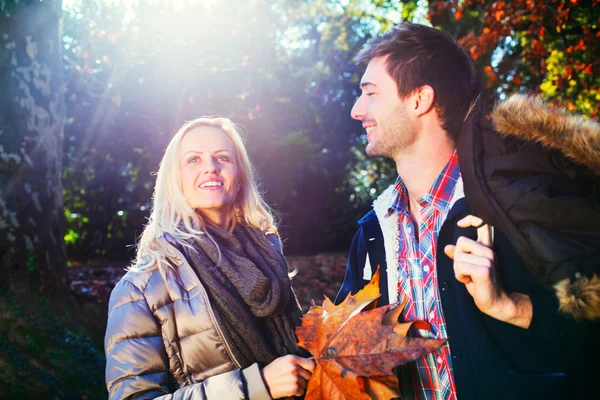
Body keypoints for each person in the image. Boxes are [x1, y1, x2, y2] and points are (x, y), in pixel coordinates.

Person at [336, 22, 600, 400]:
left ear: (419, 100)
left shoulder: (516, 204)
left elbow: (589, 335)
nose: (356, 110)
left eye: (370, 93)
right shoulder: (373, 232)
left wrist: (512, 307)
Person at [104, 117, 315, 399]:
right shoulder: (140, 288)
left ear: (239, 178)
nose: (210, 167)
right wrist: (256, 386)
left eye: (222, 157)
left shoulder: (267, 258)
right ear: (174, 181)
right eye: (193, 159)